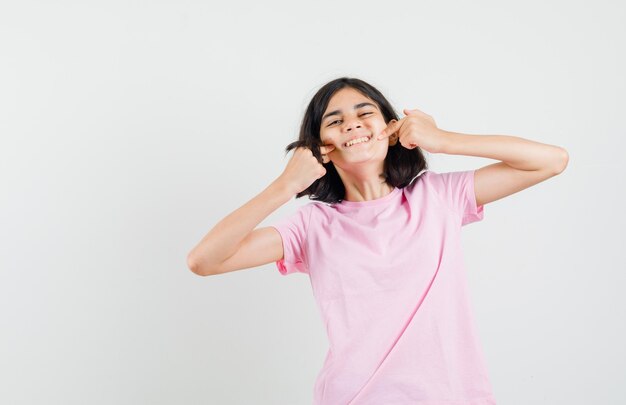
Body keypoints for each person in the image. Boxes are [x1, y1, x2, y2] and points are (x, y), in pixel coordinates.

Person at [187, 77, 569, 404]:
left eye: (363, 113)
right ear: (320, 146)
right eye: (335, 121)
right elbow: (204, 260)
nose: (352, 125)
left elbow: (551, 160)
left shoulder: (437, 197)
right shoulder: (312, 225)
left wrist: (442, 140)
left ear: (390, 128)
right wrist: (285, 185)